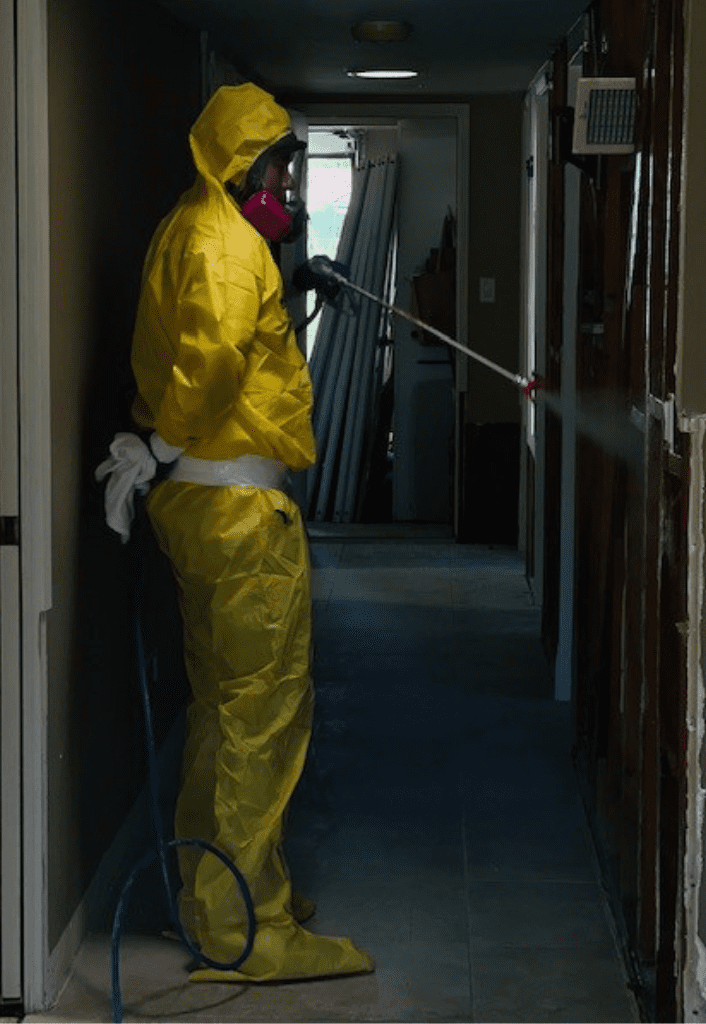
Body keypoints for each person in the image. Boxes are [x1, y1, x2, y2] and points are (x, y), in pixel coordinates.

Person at [123, 83, 374, 983]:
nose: (288, 186)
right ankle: (251, 929)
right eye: (280, 169)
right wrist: (161, 443)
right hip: (237, 516)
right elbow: (210, 368)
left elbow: (229, 341)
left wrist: (293, 285)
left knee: (221, 712)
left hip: (207, 506)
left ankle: (220, 890)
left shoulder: (193, 228)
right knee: (261, 718)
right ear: (241, 168)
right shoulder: (228, 248)